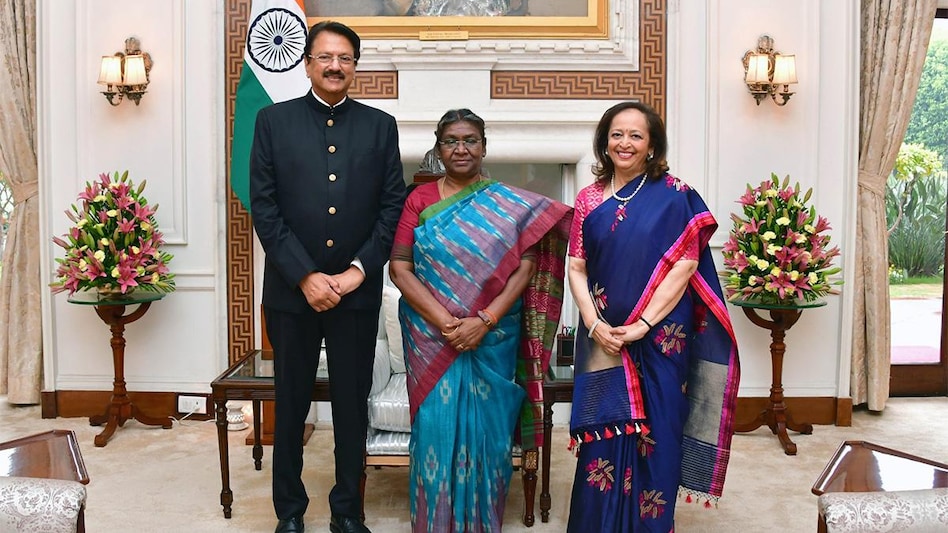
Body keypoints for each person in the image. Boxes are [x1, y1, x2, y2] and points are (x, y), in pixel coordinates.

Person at [250, 21, 406, 533]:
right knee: (291, 404)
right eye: (325, 57)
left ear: (355, 66)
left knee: (350, 407)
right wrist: (306, 276)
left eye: (345, 58)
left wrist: (359, 272)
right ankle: (289, 514)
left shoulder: (380, 126)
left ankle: (347, 512)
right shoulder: (273, 121)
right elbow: (265, 209)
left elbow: (392, 209)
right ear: (307, 62)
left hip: (355, 296)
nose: (335, 65)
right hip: (291, 297)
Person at [389, 109, 572, 532]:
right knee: (434, 432)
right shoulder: (418, 200)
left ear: (484, 146)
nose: (461, 148)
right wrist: (449, 324)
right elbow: (400, 266)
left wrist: (484, 321)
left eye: (470, 140)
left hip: (493, 336)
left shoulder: (507, 202)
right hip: (432, 339)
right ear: (438, 148)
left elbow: (525, 268)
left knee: (489, 442)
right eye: (451, 140)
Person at [565, 101, 740, 532]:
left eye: (636, 136)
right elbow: (576, 265)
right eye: (617, 134)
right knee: (602, 434)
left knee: (659, 432)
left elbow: (684, 265)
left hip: (662, 337)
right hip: (602, 337)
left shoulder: (675, 196)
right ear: (605, 142)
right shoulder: (588, 199)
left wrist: (643, 324)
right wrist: (594, 325)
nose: (625, 143)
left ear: (652, 145)